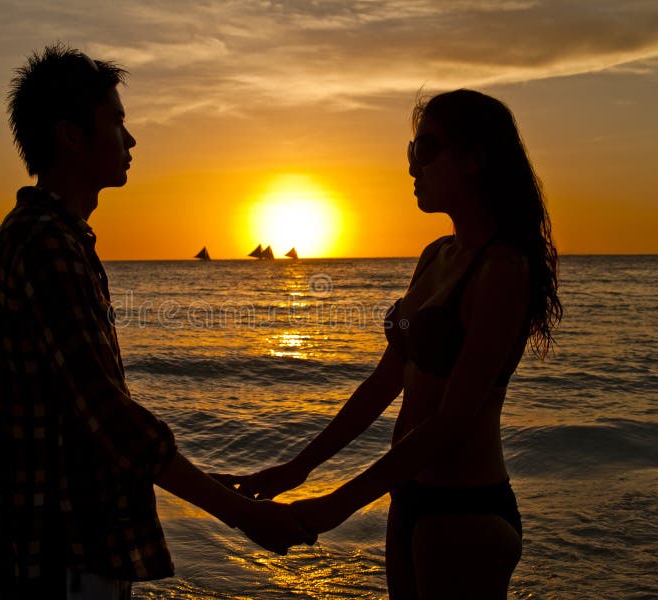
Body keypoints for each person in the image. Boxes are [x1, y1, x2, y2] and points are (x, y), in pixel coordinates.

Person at [0, 44, 314, 599]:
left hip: (63, 542)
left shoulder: (55, 237)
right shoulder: (46, 244)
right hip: (65, 549)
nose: (130, 140)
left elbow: (87, 417)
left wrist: (203, 484)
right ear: (71, 135)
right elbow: (107, 414)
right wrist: (238, 514)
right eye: (117, 121)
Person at [219, 89, 562, 599]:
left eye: (426, 151)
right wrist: (297, 469)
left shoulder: (502, 270)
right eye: (411, 152)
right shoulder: (436, 255)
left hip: (465, 508)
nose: (411, 168)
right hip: (410, 495)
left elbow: (452, 420)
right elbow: (383, 383)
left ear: (474, 159)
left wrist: (339, 503)